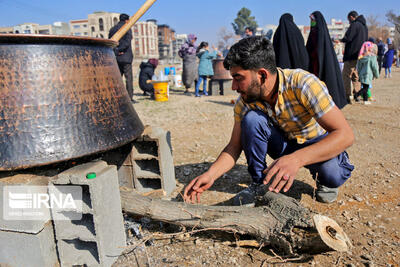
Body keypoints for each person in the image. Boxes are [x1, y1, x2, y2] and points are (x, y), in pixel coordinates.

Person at [183, 36, 354, 205]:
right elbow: (234, 146)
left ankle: (325, 177)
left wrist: (296, 159)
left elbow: (345, 135)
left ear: (262, 75)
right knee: (252, 120)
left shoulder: (303, 84)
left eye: (238, 78)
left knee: (332, 174)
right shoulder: (246, 101)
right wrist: (210, 174)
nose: (234, 87)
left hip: (315, 142)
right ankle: (260, 184)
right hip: (285, 144)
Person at [306, 11, 347, 109]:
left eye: (312, 20)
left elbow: (319, 49)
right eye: (310, 20)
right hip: (313, 62)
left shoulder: (320, 33)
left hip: (320, 62)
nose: (311, 22)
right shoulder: (313, 32)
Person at [341, 11, 368, 104]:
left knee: (346, 75)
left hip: (351, 55)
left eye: (349, 19)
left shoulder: (355, 25)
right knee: (355, 76)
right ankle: (356, 95)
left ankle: (347, 96)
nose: (349, 22)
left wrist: (340, 40)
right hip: (360, 56)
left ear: (352, 17)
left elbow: (348, 38)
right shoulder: (364, 26)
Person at [108, 13, 134, 101]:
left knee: (118, 79)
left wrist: (116, 51)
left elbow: (110, 42)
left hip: (116, 57)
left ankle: (118, 97)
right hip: (126, 57)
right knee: (128, 78)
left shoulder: (112, 29)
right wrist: (120, 50)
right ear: (127, 20)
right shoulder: (127, 28)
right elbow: (127, 42)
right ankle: (129, 98)